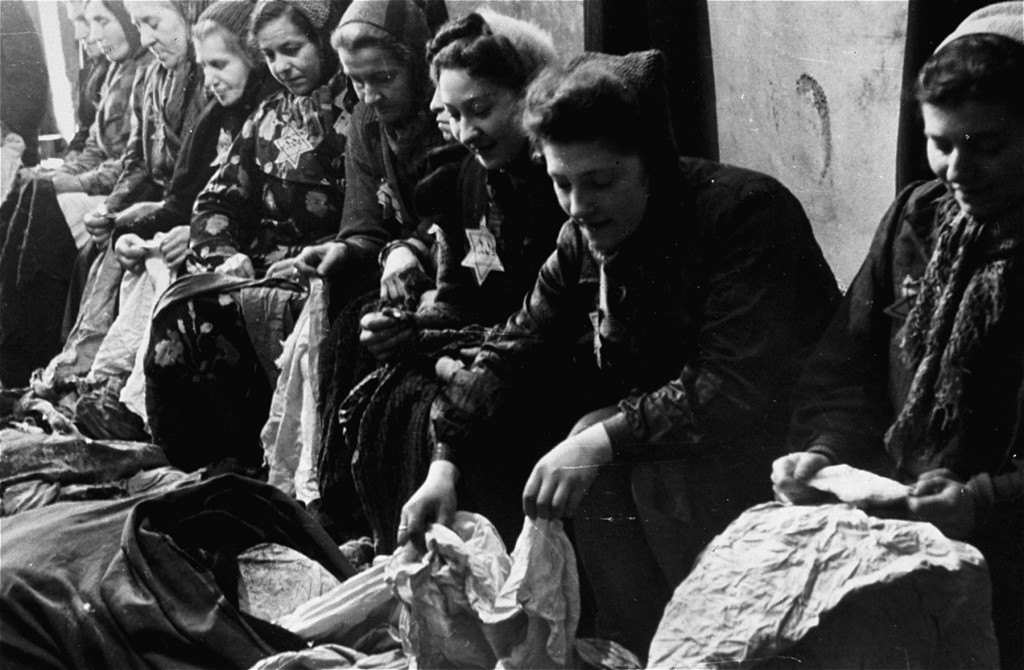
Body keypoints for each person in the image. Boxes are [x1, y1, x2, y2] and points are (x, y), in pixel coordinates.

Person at [398, 49, 841, 656]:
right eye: (561, 183)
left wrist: (598, 438)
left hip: (783, 444)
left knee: (608, 455)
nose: (579, 206)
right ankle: (627, 645)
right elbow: (514, 348)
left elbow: (733, 388)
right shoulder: (582, 240)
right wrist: (445, 460)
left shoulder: (742, 215)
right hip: (672, 439)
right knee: (527, 443)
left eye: (600, 182)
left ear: (652, 165)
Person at [773, 4, 1023, 668]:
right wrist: (824, 452)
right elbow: (844, 370)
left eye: (988, 144)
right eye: (941, 142)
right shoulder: (917, 220)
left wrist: (983, 504)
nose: (957, 169)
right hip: (907, 537)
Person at [317, 10, 564, 548]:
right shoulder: (465, 178)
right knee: (387, 377)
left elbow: (550, 320)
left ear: (531, 96)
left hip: (550, 358)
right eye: (453, 114)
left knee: (453, 407)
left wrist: (445, 349)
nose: (467, 131)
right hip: (494, 342)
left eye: (481, 109)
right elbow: (456, 294)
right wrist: (411, 329)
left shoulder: (563, 187)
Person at [143, 0, 349, 473]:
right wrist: (224, 254)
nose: (281, 66)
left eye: (293, 49)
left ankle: (258, 465)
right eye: (271, 55)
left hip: (323, 268)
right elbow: (216, 200)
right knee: (178, 307)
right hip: (257, 266)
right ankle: (204, 463)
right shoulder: (269, 114)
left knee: (205, 314)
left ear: (323, 40)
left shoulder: (358, 111)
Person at [0, 0, 148, 388]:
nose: (90, 34)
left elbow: (135, 163)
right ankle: (14, 337)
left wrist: (71, 181)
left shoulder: (144, 76)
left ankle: (31, 346)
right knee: (26, 195)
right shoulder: (111, 71)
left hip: (123, 194)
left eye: (101, 21)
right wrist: (62, 171)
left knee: (41, 205)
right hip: (102, 183)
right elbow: (93, 146)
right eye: (87, 23)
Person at [63, 0, 109, 161]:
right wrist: (74, 150)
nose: (79, 34)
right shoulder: (90, 71)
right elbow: (86, 126)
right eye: (75, 23)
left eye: (85, 20)